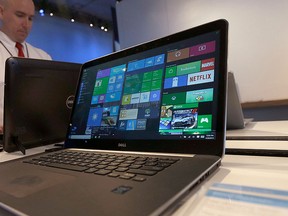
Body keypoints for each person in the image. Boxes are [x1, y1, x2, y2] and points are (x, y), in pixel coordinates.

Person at [0, 0, 52, 133]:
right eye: (20, 15)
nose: (26, 24)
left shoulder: (43, 57)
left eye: (30, 18)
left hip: (38, 137)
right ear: (1, 12)